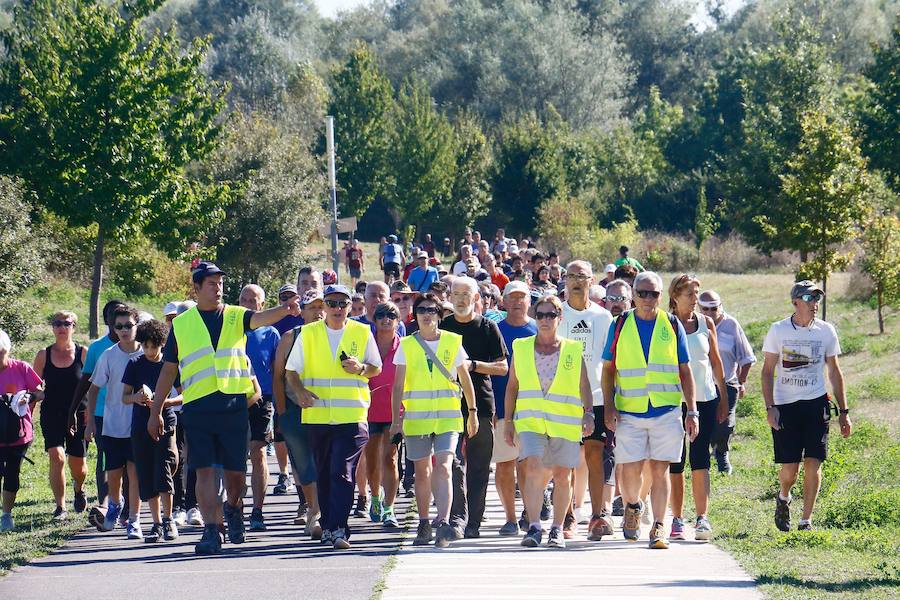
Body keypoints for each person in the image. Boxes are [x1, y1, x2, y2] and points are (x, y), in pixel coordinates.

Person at [147, 261, 299, 555]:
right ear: (197, 288)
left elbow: (260, 318)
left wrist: (284, 310)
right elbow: (168, 371)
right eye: (212, 284)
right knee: (204, 472)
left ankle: (233, 508)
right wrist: (155, 412)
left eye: (221, 283)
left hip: (233, 406)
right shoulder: (182, 324)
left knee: (235, 476)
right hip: (198, 408)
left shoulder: (235, 316)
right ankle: (211, 530)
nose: (218, 289)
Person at [601, 271, 697, 550]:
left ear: (660, 295)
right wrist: (609, 407)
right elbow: (608, 370)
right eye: (641, 293)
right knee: (630, 470)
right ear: (633, 295)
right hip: (629, 410)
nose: (646, 298)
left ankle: (659, 525)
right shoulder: (620, 324)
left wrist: (692, 410)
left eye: (653, 293)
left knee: (660, 469)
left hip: (666, 409)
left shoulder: (673, 325)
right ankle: (633, 506)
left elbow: (685, 370)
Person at [285, 284, 382, 550]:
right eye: (332, 303)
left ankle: (339, 528)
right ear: (324, 306)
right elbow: (291, 371)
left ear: (351, 306)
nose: (337, 309)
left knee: (342, 471)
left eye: (342, 304)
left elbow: (376, 368)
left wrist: (360, 368)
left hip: (351, 414)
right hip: (317, 416)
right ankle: (328, 526)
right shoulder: (308, 333)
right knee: (325, 472)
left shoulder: (362, 332)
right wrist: (300, 391)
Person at [504, 295, 594, 549]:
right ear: (535, 316)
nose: (545, 320)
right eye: (540, 315)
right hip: (531, 420)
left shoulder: (573, 349)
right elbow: (512, 387)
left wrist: (589, 412)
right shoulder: (521, 347)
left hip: (564, 422)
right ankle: (534, 526)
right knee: (532, 467)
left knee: (563, 474)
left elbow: (583, 384)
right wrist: (509, 420)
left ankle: (556, 527)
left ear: (559, 318)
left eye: (550, 315)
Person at [761, 281, 851, 532]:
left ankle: (806, 520)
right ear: (795, 302)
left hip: (816, 404)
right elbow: (767, 372)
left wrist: (844, 412)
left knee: (814, 461)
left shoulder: (826, 331)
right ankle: (783, 496)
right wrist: (771, 407)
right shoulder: (778, 331)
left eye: (817, 299)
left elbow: (834, 371)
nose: (814, 304)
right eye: (809, 298)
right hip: (786, 406)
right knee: (790, 470)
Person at [390, 293, 477, 547]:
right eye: (421, 310)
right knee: (421, 471)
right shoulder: (407, 344)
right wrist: (396, 420)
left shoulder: (452, 341)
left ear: (440, 315)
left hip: (448, 417)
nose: (426, 314)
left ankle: (443, 520)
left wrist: (472, 412)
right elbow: (397, 386)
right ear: (415, 316)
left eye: (431, 310)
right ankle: (424, 521)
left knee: (444, 465)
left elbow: (465, 379)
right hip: (417, 418)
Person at [440, 277, 508, 539]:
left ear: (476, 297)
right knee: (453, 463)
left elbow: (503, 367)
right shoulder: (443, 327)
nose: (459, 299)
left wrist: (473, 365)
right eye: (455, 293)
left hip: (481, 404)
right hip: (448, 406)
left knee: (479, 467)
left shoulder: (488, 327)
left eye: (465, 294)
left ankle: (474, 523)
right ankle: (457, 517)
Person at [667, 274, 728, 542]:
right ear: (675, 296)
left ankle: (702, 518)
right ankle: (677, 519)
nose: (695, 300)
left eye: (696, 293)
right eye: (690, 294)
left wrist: (724, 396)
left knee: (701, 457)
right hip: (673, 401)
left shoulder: (706, 323)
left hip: (705, 398)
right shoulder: (664, 325)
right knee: (676, 461)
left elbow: (715, 362)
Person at [559, 261, 614, 541]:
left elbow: (609, 363)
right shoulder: (557, 314)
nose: (577, 281)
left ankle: (597, 515)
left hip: (598, 396)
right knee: (568, 460)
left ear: (593, 281)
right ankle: (568, 516)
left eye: (582, 276)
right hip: (566, 398)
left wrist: (612, 400)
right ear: (564, 280)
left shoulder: (604, 317)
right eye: (571, 276)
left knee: (596, 456)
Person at [85, 306, 145, 538]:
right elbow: (93, 389)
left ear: (136, 325)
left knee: (134, 473)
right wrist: (90, 422)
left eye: (128, 326)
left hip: (138, 425)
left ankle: (134, 521)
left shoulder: (146, 353)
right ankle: (114, 507)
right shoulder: (109, 355)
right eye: (118, 327)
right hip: (111, 425)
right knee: (114, 474)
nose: (123, 330)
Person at [122, 319, 182, 542]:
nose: (148, 350)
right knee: (146, 473)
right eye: (144, 345)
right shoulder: (135, 365)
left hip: (166, 422)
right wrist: (137, 397)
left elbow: (183, 394)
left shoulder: (170, 365)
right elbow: (124, 396)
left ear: (161, 343)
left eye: (152, 346)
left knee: (164, 469)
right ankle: (156, 523)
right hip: (139, 426)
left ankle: (169, 520)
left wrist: (165, 402)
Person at [68, 299, 126, 527]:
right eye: (113, 316)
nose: (118, 322)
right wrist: (73, 410)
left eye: (122, 316)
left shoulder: (138, 345)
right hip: (103, 414)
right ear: (107, 320)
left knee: (129, 462)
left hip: (131, 413)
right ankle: (105, 502)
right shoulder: (97, 348)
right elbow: (86, 382)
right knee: (105, 458)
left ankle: (127, 505)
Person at [272, 289, 324, 538]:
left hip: (327, 409)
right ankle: (314, 510)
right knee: (304, 463)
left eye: (320, 306)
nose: (317, 312)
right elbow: (278, 377)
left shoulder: (334, 336)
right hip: (294, 411)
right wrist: (282, 413)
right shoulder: (289, 338)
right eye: (311, 307)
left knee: (326, 462)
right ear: (302, 311)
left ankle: (325, 510)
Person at [491, 281, 537, 536]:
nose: (518, 302)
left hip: (534, 410)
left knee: (530, 465)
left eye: (523, 297)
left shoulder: (538, 330)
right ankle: (510, 518)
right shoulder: (494, 330)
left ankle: (530, 515)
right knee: (505, 464)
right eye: (513, 297)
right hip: (501, 410)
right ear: (504, 302)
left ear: (529, 301)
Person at [33, 311, 88, 519]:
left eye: (66, 323)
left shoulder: (84, 353)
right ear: (53, 327)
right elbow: (35, 386)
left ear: (74, 327)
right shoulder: (43, 355)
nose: (62, 327)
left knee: (79, 466)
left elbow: (93, 385)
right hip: (52, 414)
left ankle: (79, 488)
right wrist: (32, 398)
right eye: (57, 323)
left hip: (79, 413)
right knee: (56, 458)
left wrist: (91, 412)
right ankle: (60, 506)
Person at [239, 284, 282, 532]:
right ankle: (235, 506)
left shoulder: (271, 334)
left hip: (263, 398)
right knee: (235, 456)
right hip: (233, 397)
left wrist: (278, 403)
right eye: (244, 299)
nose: (247, 303)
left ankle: (257, 510)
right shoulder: (230, 330)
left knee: (257, 451)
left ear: (262, 305)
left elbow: (277, 371)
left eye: (253, 300)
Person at [699, 290, 756, 474]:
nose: (709, 313)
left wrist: (741, 382)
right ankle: (702, 457)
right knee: (703, 423)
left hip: (728, 382)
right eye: (705, 309)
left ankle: (722, 453)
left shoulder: (731, 325)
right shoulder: (693, 324)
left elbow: (746, 358)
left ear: (720, 307)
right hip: (701, 383)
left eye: (713, 308)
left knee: (724, 423)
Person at [0, 330, 44, 532]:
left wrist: (28, 397)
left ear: (7, 350)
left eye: (1, 352)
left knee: (12, 473)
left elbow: (41, 391)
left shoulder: (21, 368)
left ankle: (6, 514)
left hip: (19, 434)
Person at [364, 302, 402, 528]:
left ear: (398, 320)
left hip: (395, 410)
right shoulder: (365, 343)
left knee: (390, 457)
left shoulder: (404, 346)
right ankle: (375, 497)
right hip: (368, 408)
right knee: (371, 458)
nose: (386, 319)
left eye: (391, 315)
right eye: (381, 315)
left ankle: (389, 507)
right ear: (373, 319)